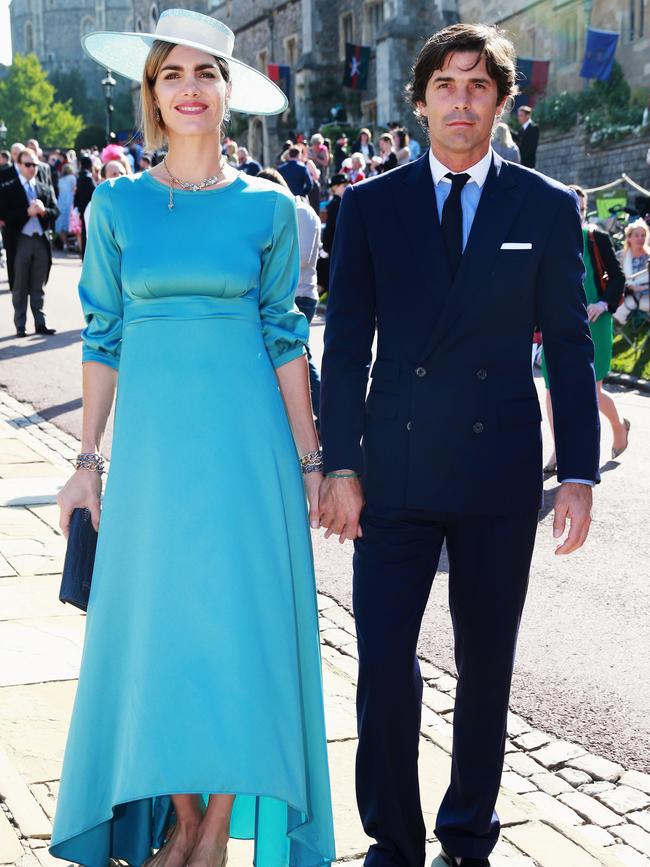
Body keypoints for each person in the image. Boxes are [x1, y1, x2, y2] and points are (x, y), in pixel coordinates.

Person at [50, 10, 335, 867]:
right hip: (156, 456)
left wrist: (314, 460)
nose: (188, 88)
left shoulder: (270, 205)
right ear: (153, 94)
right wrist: (86, 461)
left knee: (241, 630)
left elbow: (286, 336)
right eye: (171, 75)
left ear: (227, 89)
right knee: (157, 629)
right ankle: (184, 816)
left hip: (250, 450)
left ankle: (210, 829)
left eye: (204, 73)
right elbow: (103, 338)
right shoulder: (119, 203)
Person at [319, 23, 598, 867]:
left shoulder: (547, 207)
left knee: (486, 671)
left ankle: (469, 834)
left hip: (498, 474)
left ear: (502, 102)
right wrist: (340, 464)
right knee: (383, 668)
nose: (462, 101)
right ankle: (393, 843)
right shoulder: (367, 207)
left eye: (479, 86)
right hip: (392, 475)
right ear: (421, 100)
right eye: (446, 84)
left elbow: (571, 346)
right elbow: (345, 346)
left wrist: (579, 470)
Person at [541, 185, 629, 470]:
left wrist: (603, 304)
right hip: (559, 322)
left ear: (585, 209)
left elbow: (617, 278)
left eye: (579, 208)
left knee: (590, 390)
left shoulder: (595, 237)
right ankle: (559, 449)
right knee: (553, 389)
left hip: (596, 321)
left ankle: (617, 426)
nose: (574, 213)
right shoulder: (549, 238)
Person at [258, 167, 322, 430]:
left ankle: (322, 409)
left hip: (299, 293)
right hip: (292, 291)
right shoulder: (292, 210)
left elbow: (299, 257)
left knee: (298, 354)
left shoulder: (300, 212)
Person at [2, 147, 58, 336]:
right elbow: (4, 215)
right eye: (28, 164)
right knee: (19, 285)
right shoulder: (9, 187)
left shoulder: (43, 186)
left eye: (35, 164)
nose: (32, 168)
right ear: (19, 165)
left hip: (40, 240)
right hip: (21, 241)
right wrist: (26, 213)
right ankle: (20, 325)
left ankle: (40, 323)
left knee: (38, 285)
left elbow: (55, 211)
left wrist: (43, 211)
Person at [615, 218, 650, 326]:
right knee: (625, 304)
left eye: (643, 235)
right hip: (626, 294)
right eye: (636, 235)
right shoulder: (620, 257)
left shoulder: (648, 256)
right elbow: (614, 279)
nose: (640, 238)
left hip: (647, 294)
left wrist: (642, 288)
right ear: (629, 238)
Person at [317, 172, 348, 294]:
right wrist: (325, 248)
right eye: (343, 185)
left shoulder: (340, 202)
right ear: (335, 187)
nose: (346, 187)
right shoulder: (335, 204)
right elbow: (330, 228)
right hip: (334, 247)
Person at [74, 155, 96, 257]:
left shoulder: (80, 177)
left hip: (82, 207)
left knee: (84, 231)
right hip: (88, 207)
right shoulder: (88, 177)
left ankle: (84, 254)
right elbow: (94, 192)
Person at [54, 164, 76, 250]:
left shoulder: (60, 180)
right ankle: (68, 244)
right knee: (68, 222)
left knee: (61, 224)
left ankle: (65, 243)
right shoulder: (72, 178)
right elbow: (74, 189)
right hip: (70, 201)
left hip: (60, 202)